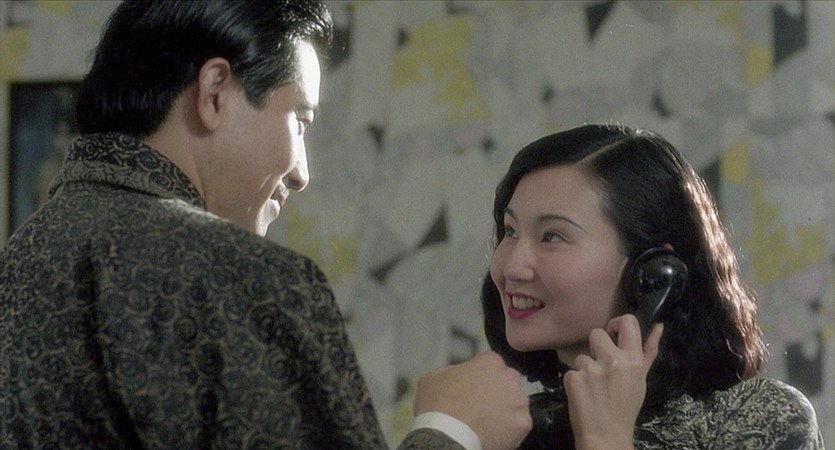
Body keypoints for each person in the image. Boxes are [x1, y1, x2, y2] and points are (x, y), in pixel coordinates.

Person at [0, 1, 532, 449]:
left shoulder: (20, 260)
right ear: (214, 92)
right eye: (299, 120)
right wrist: (450, 432)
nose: (301, 173)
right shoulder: (243, 280)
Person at [481, 123, 825, 449]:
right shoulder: (510, 433)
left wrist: (605, 438)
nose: (511, 267)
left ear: (655, 269)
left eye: (552, 236)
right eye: (510, 231)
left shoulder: (761, 418)